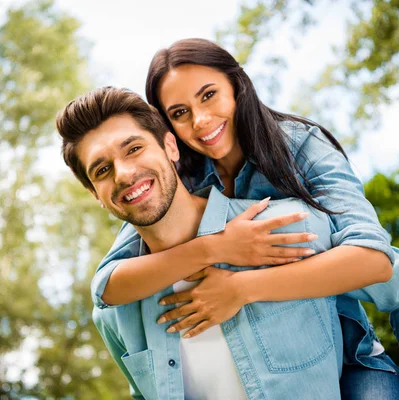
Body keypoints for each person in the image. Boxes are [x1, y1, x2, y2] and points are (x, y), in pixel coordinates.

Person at [90, 39, 399, 399]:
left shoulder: (298, 146)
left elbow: (373, 260)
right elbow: (108, 286)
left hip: (349, 354)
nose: (201, 121)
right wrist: (216, 247)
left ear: (237, 85)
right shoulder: (175, 181)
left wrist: (240, 289)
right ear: (168, 131)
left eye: (208, 95)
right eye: (180, 112)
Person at [57, 86, 356, 399]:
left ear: (170, 146)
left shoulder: (287, 226)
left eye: (133, 149)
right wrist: (212, 248)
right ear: (96, 196)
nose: (124, 174)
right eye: (102, 170)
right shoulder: (114, 313)